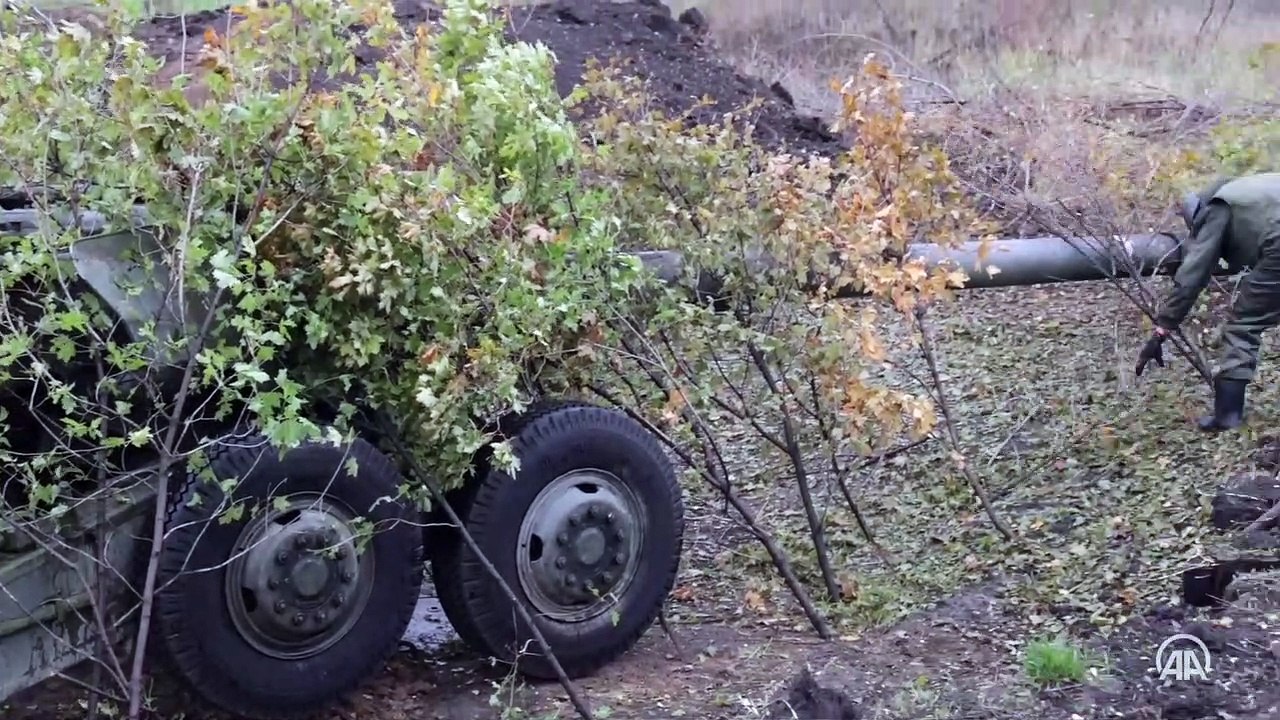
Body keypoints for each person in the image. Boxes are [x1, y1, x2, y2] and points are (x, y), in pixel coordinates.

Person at [1135, 173, 1280, 431]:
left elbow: (1193, 275)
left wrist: (1162, 328)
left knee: (1243, 327)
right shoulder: (1247, 189)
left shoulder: (1218, 208)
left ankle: (1227, 416)